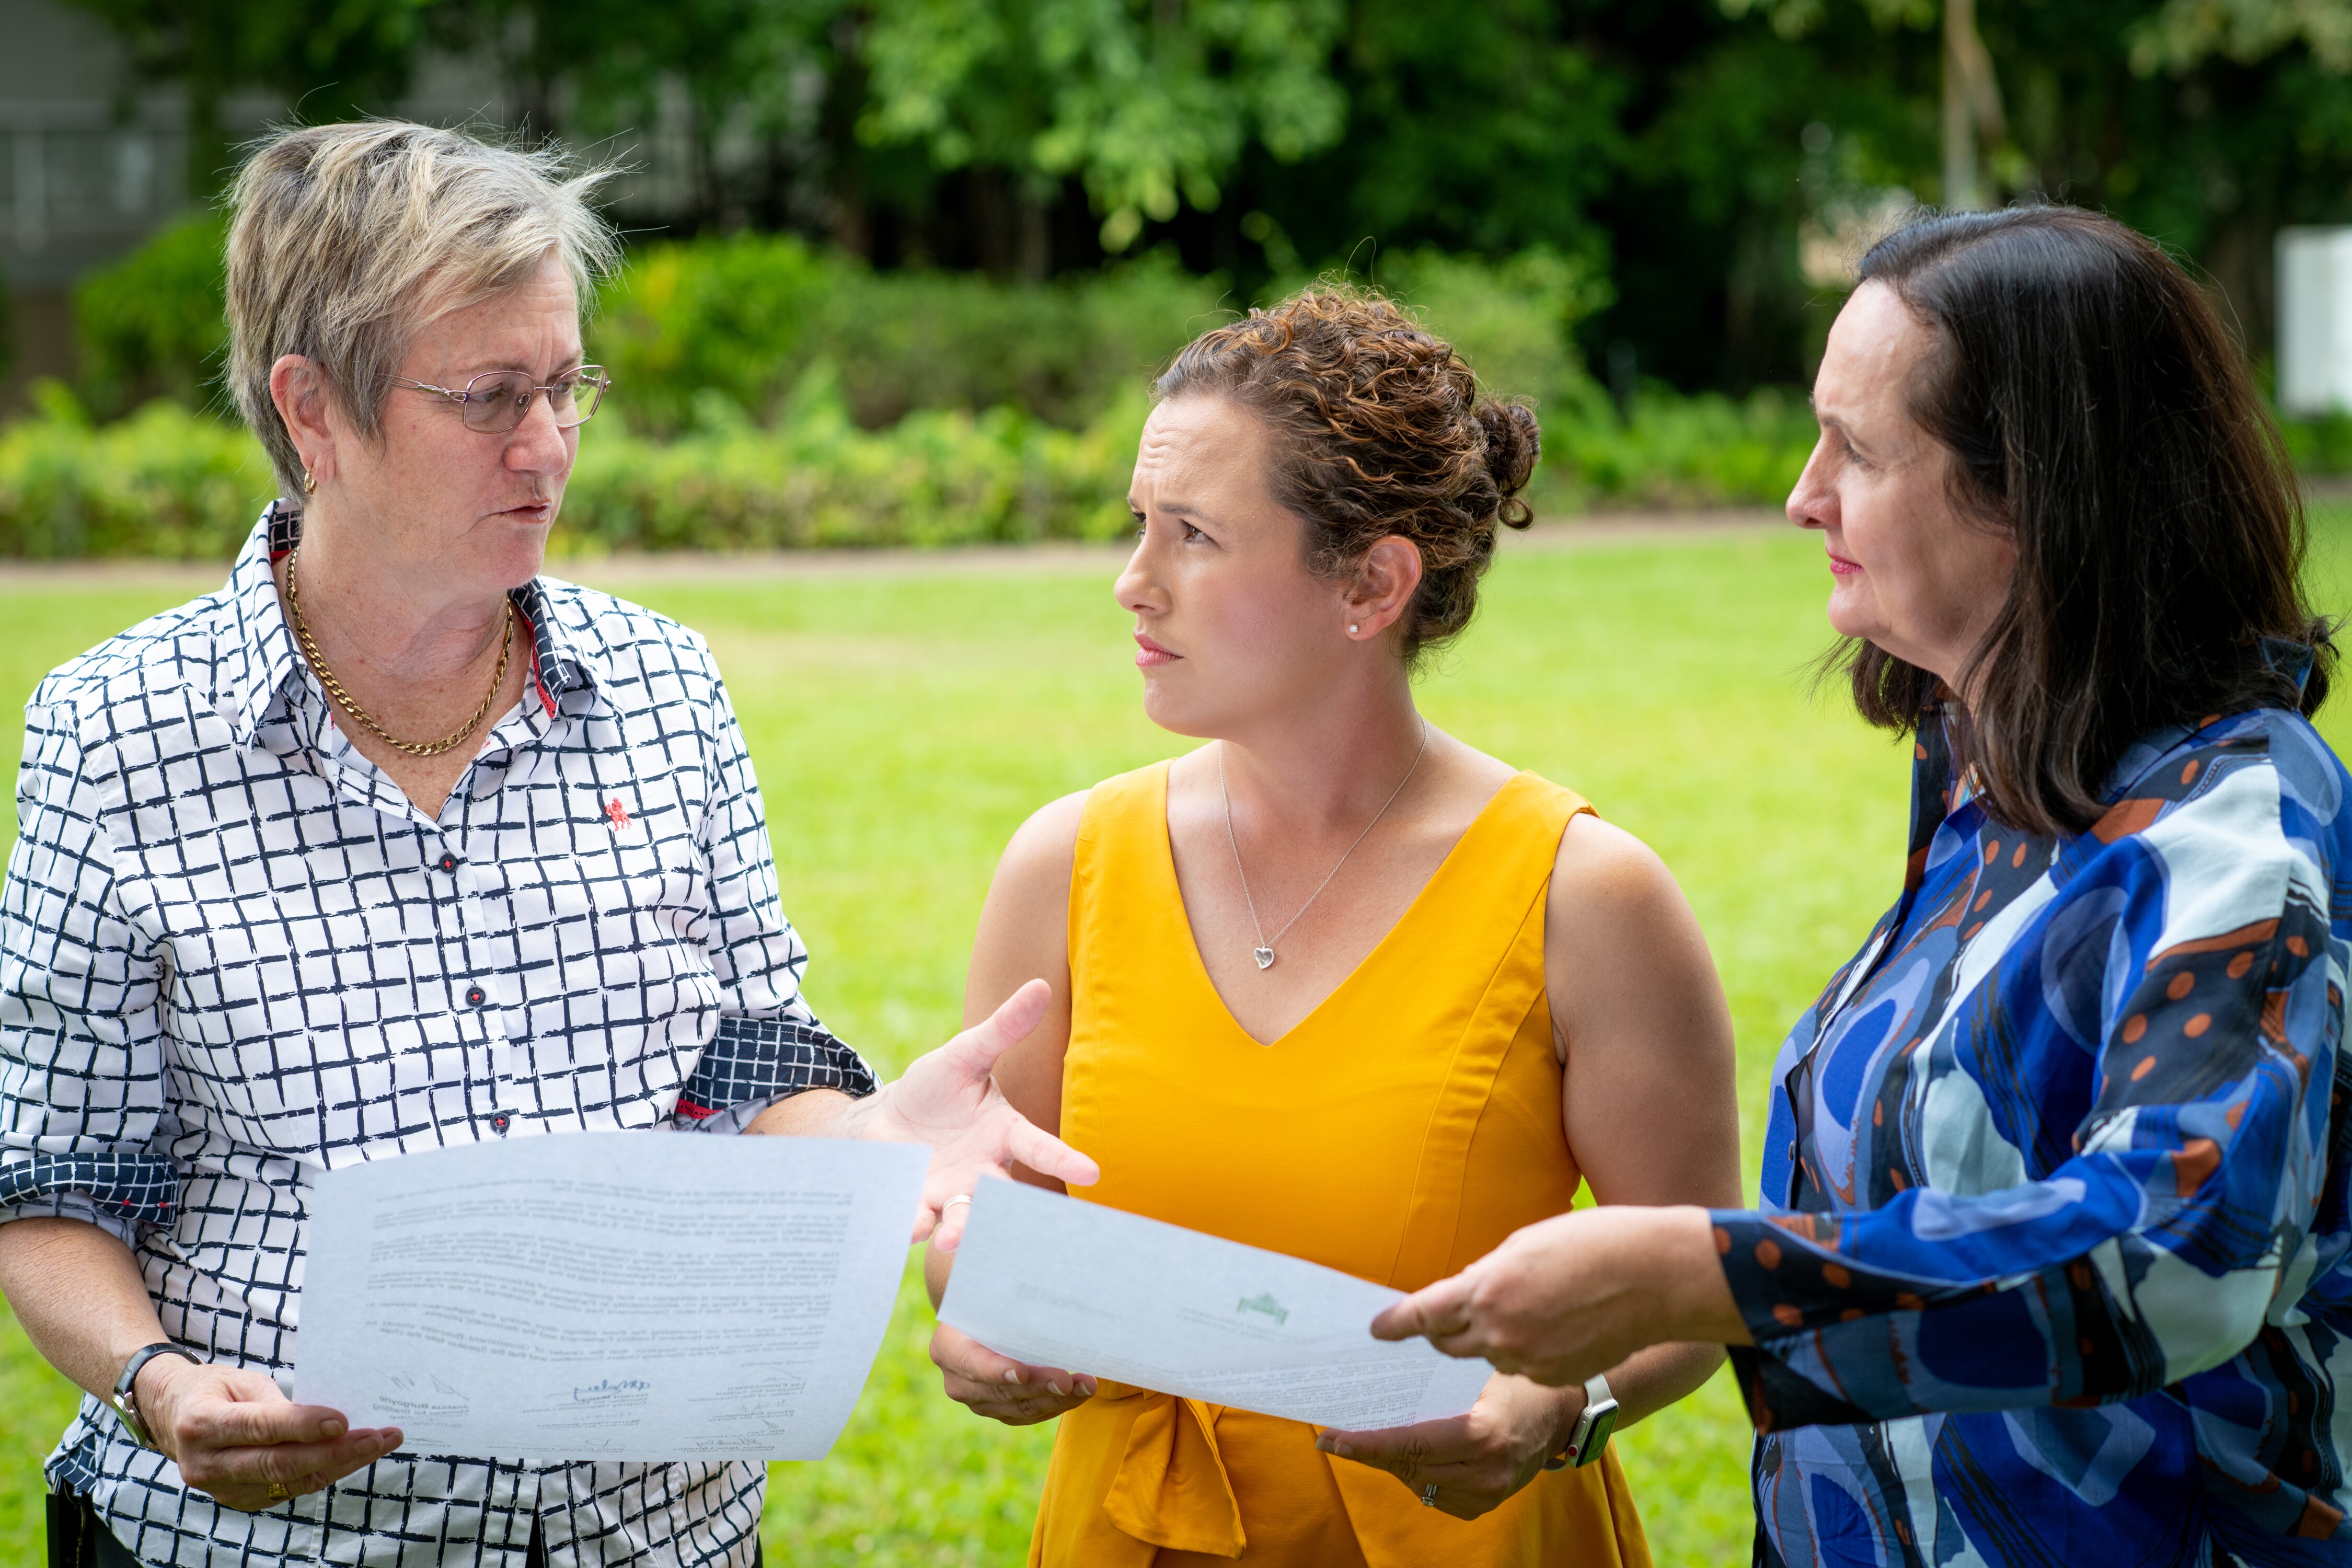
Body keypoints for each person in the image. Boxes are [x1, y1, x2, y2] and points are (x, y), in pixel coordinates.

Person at [0, 120, 1094, 1568]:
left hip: (657, 1531)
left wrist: (870, 1141)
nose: (550, 444)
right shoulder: (115, 733)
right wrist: (160, 1386)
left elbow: (735, 1049)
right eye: (489, 398)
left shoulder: (664, 683)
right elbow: (56, 1179)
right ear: (312, 409)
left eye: (568, 383)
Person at [1370, 204, 2352, 1563]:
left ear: (2037, 496)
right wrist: (1570, 1398)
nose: (1800, 494)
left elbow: (2173, 1258)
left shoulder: (2233, 830)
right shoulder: (1987, 788)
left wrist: (1698, 1271)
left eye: (1858, 449)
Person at [922, 287, 1745, 1567]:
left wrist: (1557, 1411)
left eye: (1193, 535)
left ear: (1371, 583)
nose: (1132, 584)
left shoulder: (1587, 896)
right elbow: (985, 1217)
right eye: (1139, 526)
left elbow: (1692, 1305)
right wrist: (966, 1300)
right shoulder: (1062, 866)